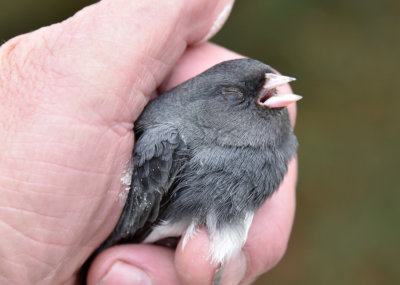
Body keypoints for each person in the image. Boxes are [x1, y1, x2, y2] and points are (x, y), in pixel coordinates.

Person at [0, 0, 298, 284]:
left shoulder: (279, 142)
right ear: (204, 104)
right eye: (235, 95)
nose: (273, 85)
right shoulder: (168, 143)